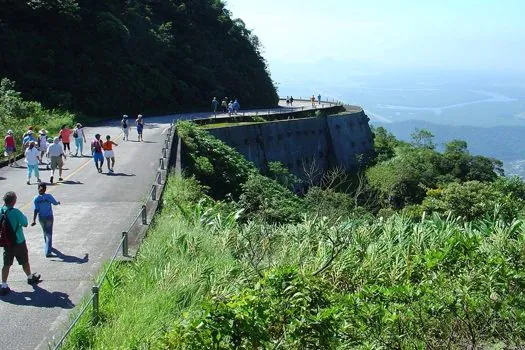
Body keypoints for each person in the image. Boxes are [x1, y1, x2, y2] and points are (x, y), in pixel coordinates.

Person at [1, 191, 42, 296]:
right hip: (19, 241)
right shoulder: (16, 212)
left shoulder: (1, 211)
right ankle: (30, 277)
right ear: (14, 201)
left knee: (6, 264)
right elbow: (25, 223)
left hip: (6, 243)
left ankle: (4, 285)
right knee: (24, 261)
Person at [31, 184, 60, 257]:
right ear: (45, 189)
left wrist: (33, 220)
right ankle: (48, 251)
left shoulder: (36, 198)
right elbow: (55, 203)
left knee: (45, 231)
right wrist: (58, 202)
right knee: (49, 233)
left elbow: (36, 210)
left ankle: (47, 245)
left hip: (41, 218)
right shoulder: (48, 196)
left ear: (38, 188)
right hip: (49, 217)